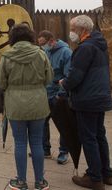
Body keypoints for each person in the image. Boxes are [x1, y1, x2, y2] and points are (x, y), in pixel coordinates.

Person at [59, 15, 112, 190]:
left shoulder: (85, 48)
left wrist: (64, 83)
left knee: (89, 138)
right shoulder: (100, 46)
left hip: (87, 99)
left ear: (82, 30)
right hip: (100, 97)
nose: (71, 33)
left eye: (73, 29)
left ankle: (94, 178)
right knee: (99, 136)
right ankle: (106, 174)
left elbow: (76, 75)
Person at [0, 24, 53, 190]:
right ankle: (40, 182)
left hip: (15, 104)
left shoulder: (7, 56)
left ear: (12, 38)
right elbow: (49, 78)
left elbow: (1, 83)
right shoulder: (41, 54)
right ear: (30, 36)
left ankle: (21, 181)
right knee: (37, 142)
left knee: (20, 143)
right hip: (38, 103)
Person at [37, 30, 72, 164]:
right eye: (40, 45)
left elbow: (68, 75)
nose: (42, 47)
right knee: (42, 123)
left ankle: (63, 152)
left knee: (62, 125)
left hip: (58, 95)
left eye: (44, 44)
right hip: (45, 93)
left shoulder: (66, 53)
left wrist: (60, 95)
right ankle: (45, 149)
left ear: (51, 41)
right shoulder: (45, 52)